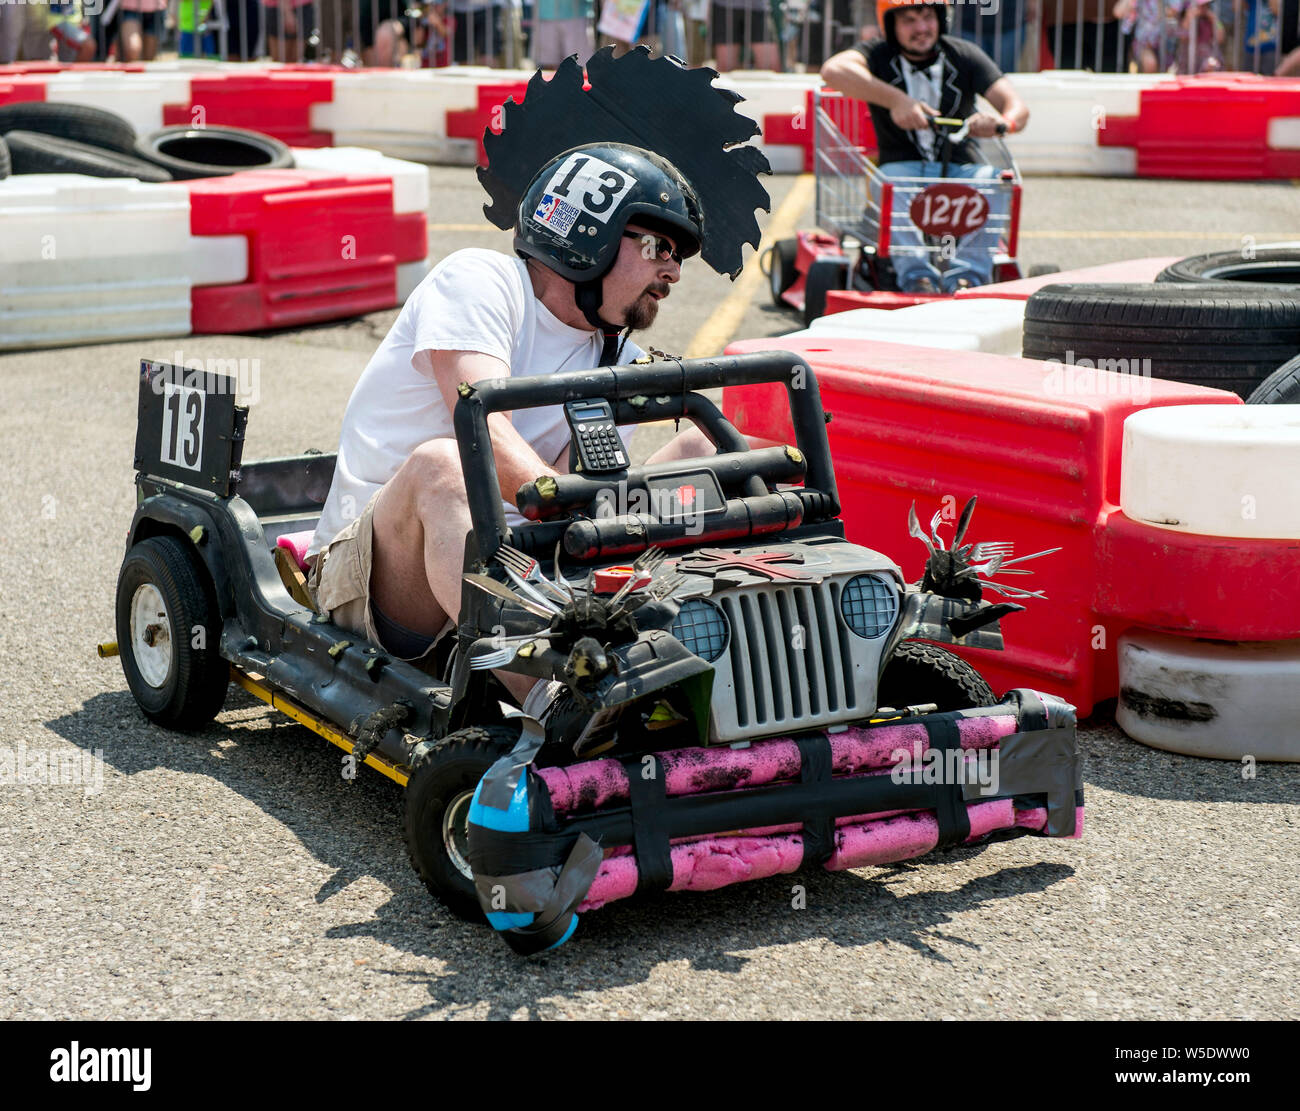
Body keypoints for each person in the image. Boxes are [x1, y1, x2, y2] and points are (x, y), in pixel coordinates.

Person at [306, 144, 719, 707]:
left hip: (525, 569)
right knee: (445, 464)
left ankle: (732, 664)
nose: (672, 271)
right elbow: (484, 434)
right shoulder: (480, 282)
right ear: (590, 235)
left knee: (708, 447)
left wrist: (621, 507)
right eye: (659, 247)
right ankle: (560, 702)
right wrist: (607, 513)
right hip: (379, 575)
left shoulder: (619, 357)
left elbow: (571, 486)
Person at [820, 0, 1028, 292]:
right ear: (891, 25)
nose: (921, 28)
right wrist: (897, 101)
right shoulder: (878, 54)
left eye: (927, 17)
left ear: (941, 19)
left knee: (997, 181)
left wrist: (1002, 123)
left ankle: (967, 279)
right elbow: (833, 71)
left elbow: (1016, 106)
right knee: (892, 182)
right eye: (909, 20)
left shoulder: (964, 54)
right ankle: (918, 280)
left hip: (959, 167)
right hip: (901, 170)